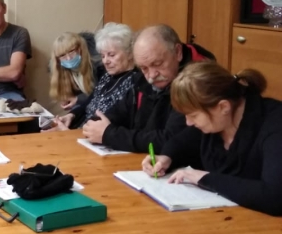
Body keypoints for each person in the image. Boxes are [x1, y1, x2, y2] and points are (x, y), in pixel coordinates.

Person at [141, 63, 282, 216]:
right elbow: (181, 142)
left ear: (223, 107)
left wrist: (205, 178)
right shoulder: (216, 119)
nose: (188, 123)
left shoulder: (275, 126)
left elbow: (275, 196)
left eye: (193, 115)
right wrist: (166, 158)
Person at [82, 24, 214, 153]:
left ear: (178, 52)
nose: (151, 76)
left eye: (157, 64)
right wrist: (96, 125)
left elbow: (172, 141)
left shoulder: (198, 83)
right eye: (144, 68)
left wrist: (110, 135)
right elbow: (118, 113)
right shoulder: (141, 79)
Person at [51, 23, 135, 130]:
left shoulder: (134, 82)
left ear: (130, 53)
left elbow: (111, 124)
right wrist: (71, 115)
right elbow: (90, 103)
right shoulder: (107, 77)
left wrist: (69, 133)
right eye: (102, 56)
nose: (105, 61)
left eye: (111, 55)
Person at [47, 32, 102, 124]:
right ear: (57, 59)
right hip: (85, 114)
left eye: (71, 51)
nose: (68, 58)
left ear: (80, 49)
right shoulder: (65, 73)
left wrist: (78, 99)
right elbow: (83, 107)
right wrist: (71, 114)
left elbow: (101, 96)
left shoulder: (99, 67)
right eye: (62, 55)